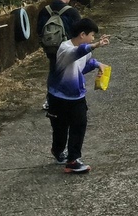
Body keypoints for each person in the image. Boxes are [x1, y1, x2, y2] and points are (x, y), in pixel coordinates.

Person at [47, 17, 110, 174]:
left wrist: (97, 64)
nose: (93, 38)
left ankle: (73, 160)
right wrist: (95, 45)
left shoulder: (84, 49)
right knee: (60, 129)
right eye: (92, 35)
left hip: (77, 97)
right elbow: (78, 53)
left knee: (79, 125)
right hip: (59, 97)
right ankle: (58, 150)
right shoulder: (65, 49)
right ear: (83, 34)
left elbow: (82, 66)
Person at [36, 0, 82, 109]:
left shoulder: (44, 10)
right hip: (67, 48)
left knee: (53, 71)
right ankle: (67, 100)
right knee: (69, 73)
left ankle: (50, 101)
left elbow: (39, 30)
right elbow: (79, 33)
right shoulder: (72, 12)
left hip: (50, 48)